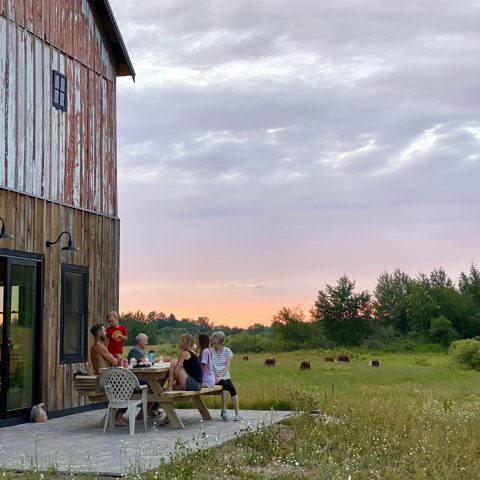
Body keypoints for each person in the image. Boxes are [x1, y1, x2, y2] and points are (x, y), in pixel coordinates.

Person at [89, 323, 127, 426]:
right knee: (130, 388)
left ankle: (118, 416)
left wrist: (113, 356)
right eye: (104, 331)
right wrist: (117, 357)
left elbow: (106, 358)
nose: (106, 333)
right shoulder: (100, 346)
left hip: (102, 378)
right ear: (99, 333)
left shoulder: (93, 348)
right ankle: (119, 417)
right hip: (107, 380)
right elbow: (114, 362)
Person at [126, 333, 163, 418]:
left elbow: (147, 361)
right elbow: (147, 361)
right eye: (146, 341)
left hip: (137, 377)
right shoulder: (135, 350)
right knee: (154, 384)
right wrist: (163, 360)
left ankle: (151, 409)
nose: (147, 343)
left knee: (155, 384)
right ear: (140, 341)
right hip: (134, 379)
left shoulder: (139, 350)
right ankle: (153, 410)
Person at [210, 331, 243, 422]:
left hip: (224, 376)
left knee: (226, 388)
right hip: (214, 377)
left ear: (220, 340)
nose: (212, 340)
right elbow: (208, 366)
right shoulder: (210, 351)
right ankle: (226, 411)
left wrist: (220, 376)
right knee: (230, 388)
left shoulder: (227, 350)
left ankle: (235, 413)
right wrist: (216, 377)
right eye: (212, 339)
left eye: (214, 339)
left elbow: (227, 366)